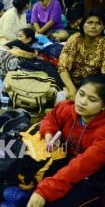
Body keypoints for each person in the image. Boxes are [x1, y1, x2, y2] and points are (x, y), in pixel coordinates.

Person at [26, 74, 105, 207]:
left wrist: (44, 191)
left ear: (103, 106)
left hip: (91, 177)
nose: (83, 101)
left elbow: (81, 166)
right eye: (81, 94)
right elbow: (51, 118)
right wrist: (49, 134)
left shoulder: (102, 133)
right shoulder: (68, 108)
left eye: (92, 99)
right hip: (64, 166)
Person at [58, 10, 105, 100]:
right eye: (89, 22)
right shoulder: (75, 38)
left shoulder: (103, 44)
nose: (93, 26)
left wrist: (85, 92)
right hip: (70, 79)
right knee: (61, 96)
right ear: (83, 25)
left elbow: (103, 76)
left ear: (103, 27)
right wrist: (71, 89)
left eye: (98, 23)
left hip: (92, 84)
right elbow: (63, 66)